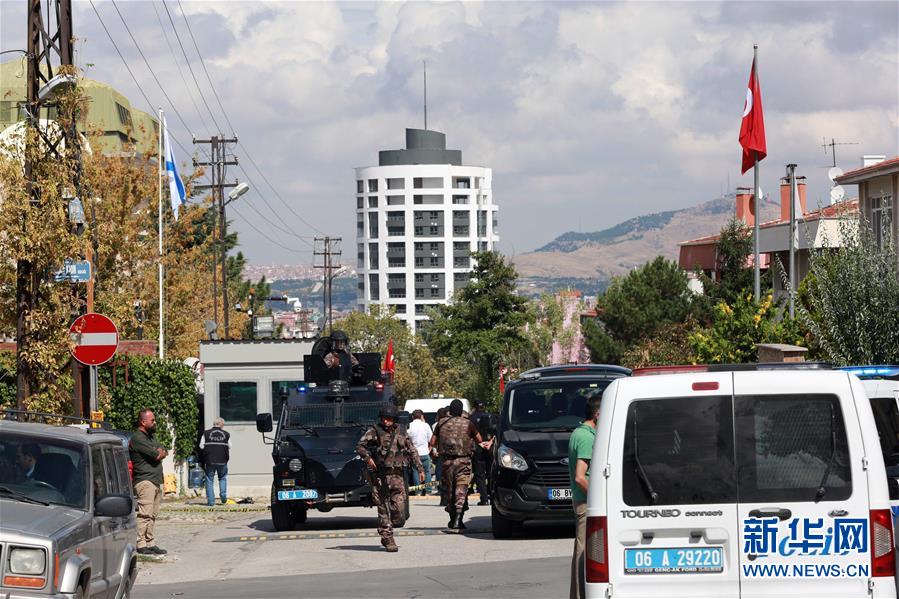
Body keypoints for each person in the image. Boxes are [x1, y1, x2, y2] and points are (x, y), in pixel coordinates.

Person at [356, 404, 424, 552]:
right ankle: (387, 537)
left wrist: (419, 468)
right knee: (383, 508)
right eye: (384, 419)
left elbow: (412, 450)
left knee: (399, 511)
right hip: (380, 476)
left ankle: (389, 526)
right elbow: (360, 446)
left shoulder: (401, 430)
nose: (386, 422)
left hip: (398, 475)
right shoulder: (375, 431)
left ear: (394, 419)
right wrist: (368, 458)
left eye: (389, 419)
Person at [430, 399, 483, 531]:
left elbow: (432, 441)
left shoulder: (441, 423)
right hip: (463, 461)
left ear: (450, 411)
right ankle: (458, 518)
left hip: (447, 462)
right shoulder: (468, 423)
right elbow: (479, 439)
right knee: (461, 489)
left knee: (450, 490)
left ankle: (452, 518)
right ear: (461, 411)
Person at [568, 394, 602, 599]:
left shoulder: (578, 432)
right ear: (597, 414)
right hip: (585, 502)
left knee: (581, 552)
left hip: (581, 500)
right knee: (584, 554)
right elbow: (580, 477)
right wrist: (598, 497)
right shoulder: (587, 437)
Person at [129, 409, 168, 556]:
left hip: (155, 480)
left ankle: (150, 542)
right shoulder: (138, 438)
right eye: (152, 420)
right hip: (145, 480)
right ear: (143, 421)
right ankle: (140, 543)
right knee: (145, 514)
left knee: (153, 514)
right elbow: (156, 455)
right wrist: (159, 452)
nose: (155, 422)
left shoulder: (151, 437)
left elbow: (163, 450)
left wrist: (160, 451)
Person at [200, 417, 232, 506]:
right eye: (223, 425)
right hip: (222, 460)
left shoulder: (206, 433)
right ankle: (223, 497)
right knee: (222, 478)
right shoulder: (226, 434)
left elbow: (201, 446)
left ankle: (211, 502)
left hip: (210, 460)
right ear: (221, 424)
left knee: (209, 480)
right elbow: (230, 446)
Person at [469, 401, 494, 505]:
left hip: (477, 448)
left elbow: (469, 434)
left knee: (480, 475)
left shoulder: (471, 418)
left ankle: (484, 499)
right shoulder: (491, 416)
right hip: (490, 448)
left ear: (474, 407)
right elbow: (496, 432)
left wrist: (479, 443)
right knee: (491, 474)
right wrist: (490, 442)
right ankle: (493, 497)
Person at [406, 410, 432, 496]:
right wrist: (429, 449)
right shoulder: (426, 425)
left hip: (415, 454)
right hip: (425, 452)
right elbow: (431, 439)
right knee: (427, 472)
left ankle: (418, 491)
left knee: (415, 472)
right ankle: (428, 491)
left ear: (412, 417)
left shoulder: (410, 426)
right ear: (421, 416)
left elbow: (407, 439)